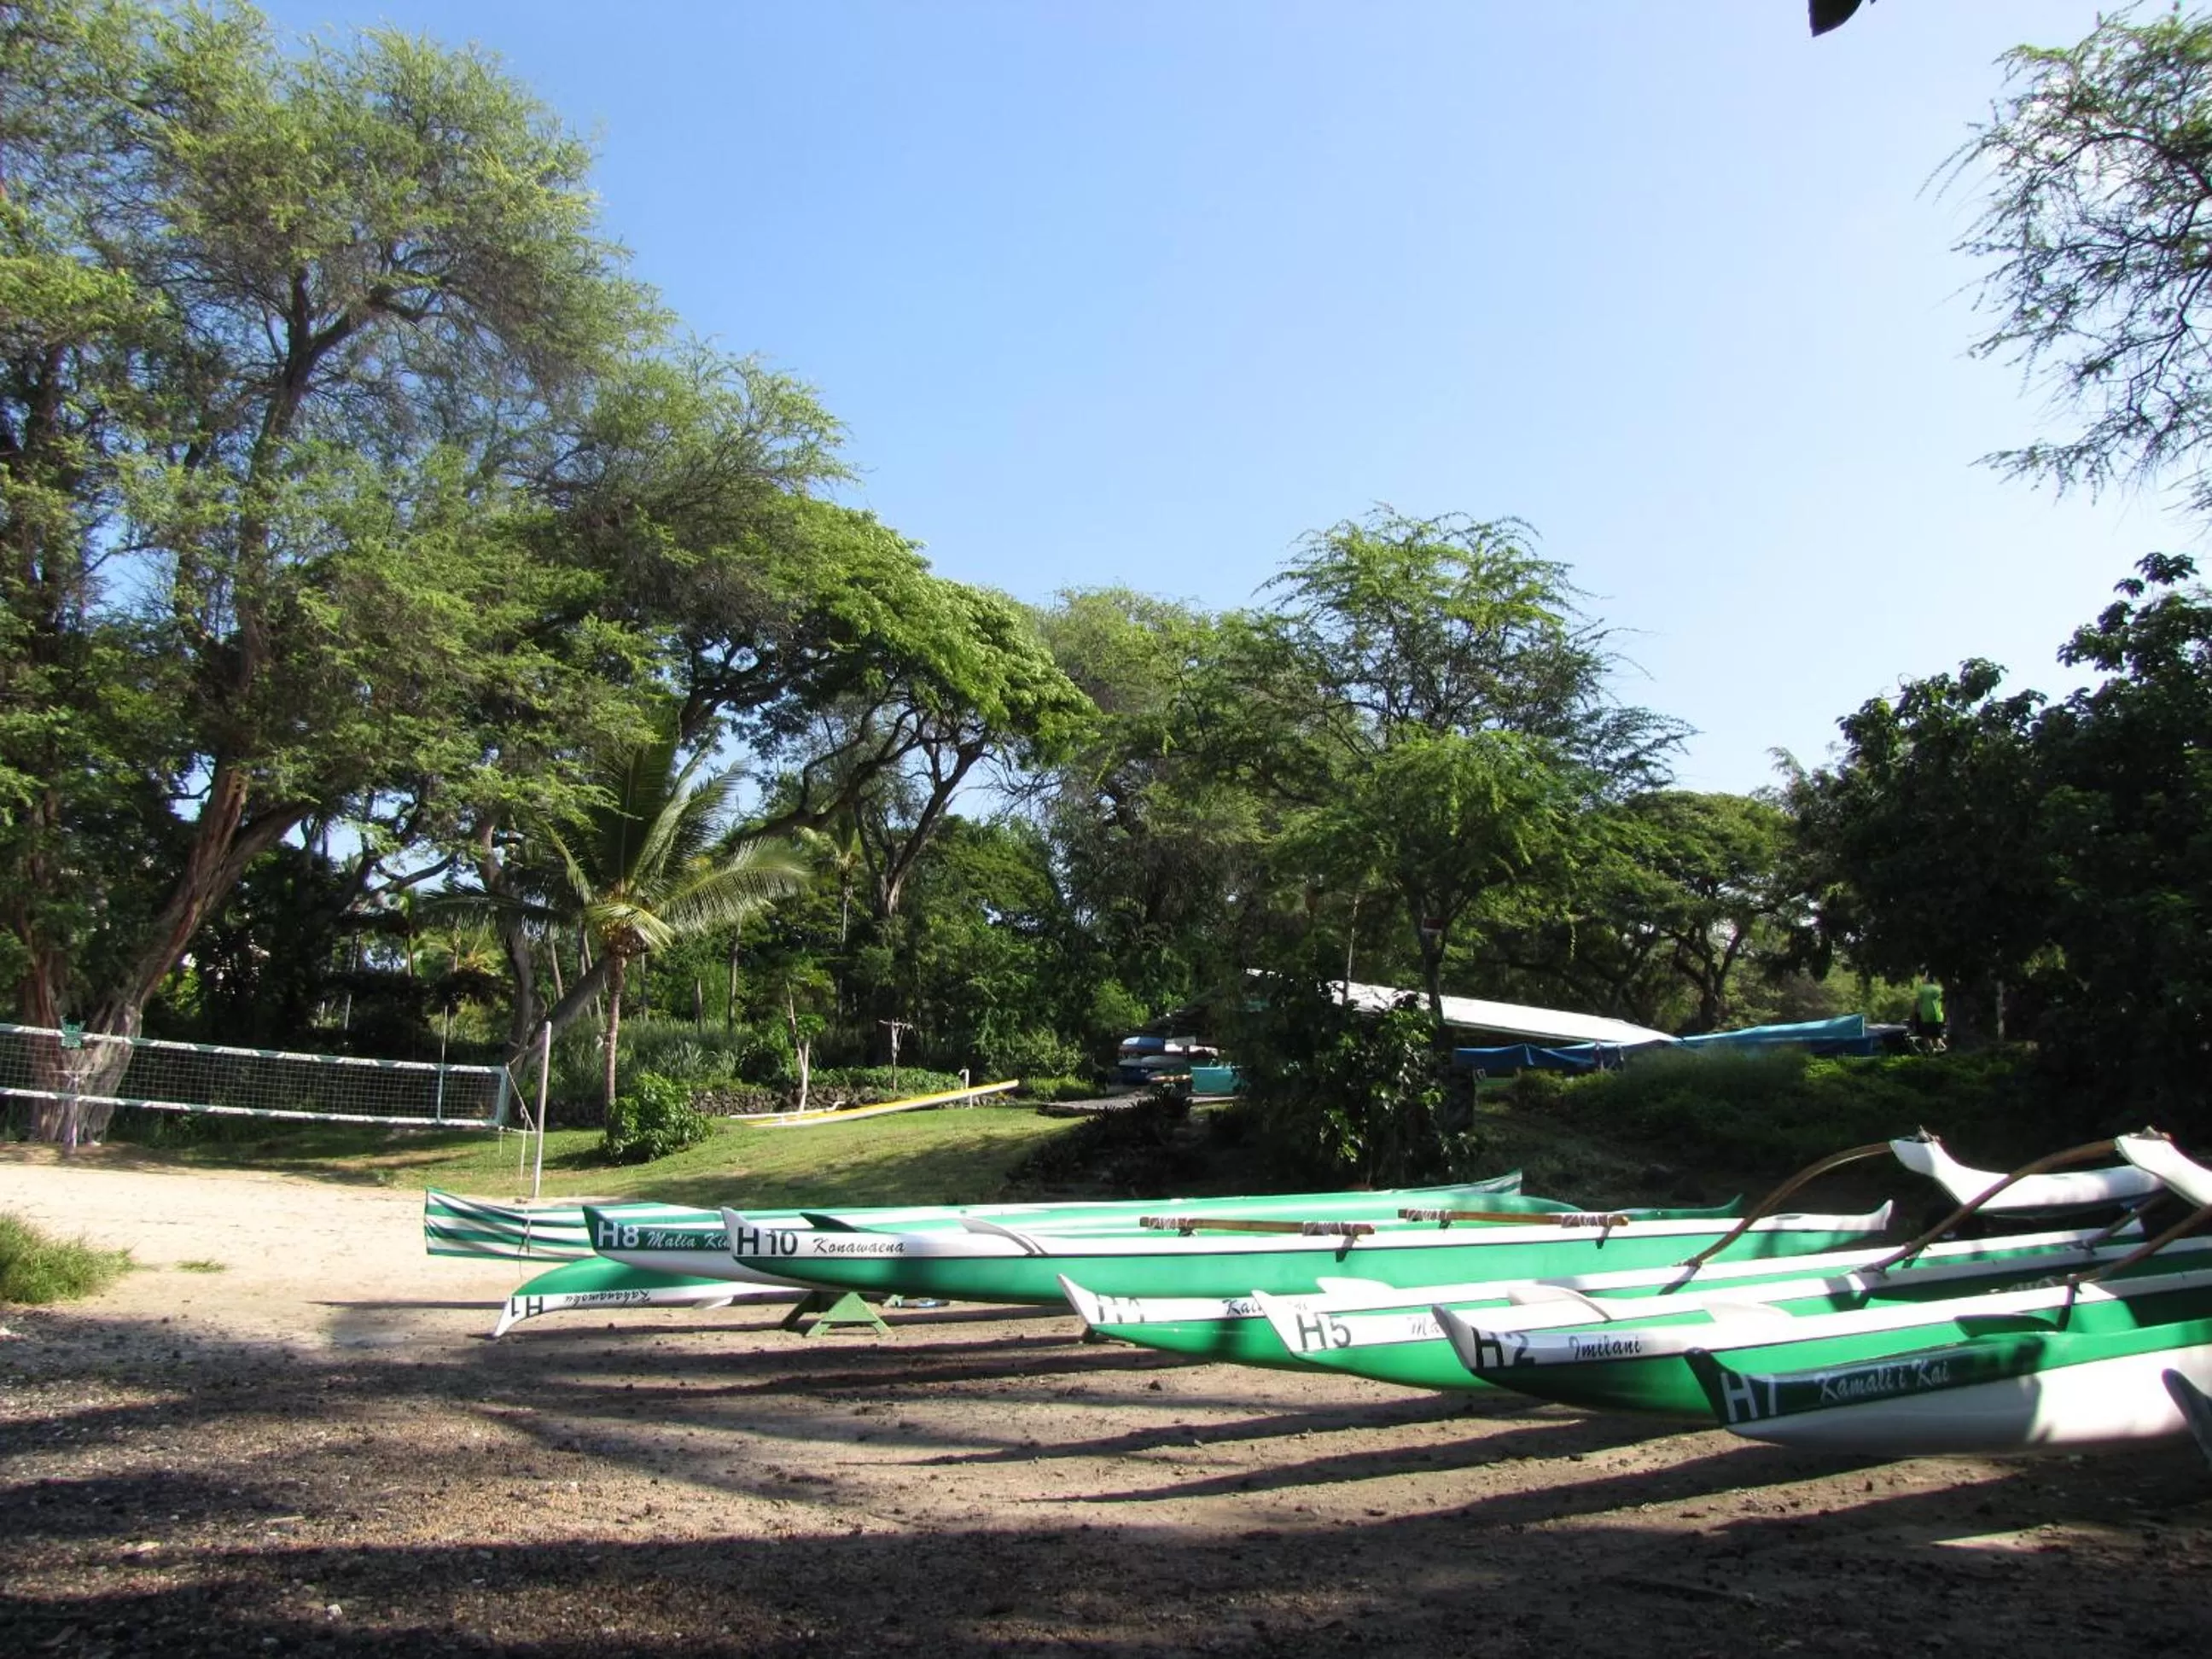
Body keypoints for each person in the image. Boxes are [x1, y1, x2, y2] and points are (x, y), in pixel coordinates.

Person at [1911, 981, 1947, 1051]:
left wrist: (1913, 1016)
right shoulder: (1939, 989)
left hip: (1926, 1016)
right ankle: (1938, 1053)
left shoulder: (1922, 989)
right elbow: (1944, 1004)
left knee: (1926, 1037)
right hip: (1938, 1016)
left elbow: (1917, 1004)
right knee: (1936, 1037)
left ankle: (1931, 1052)